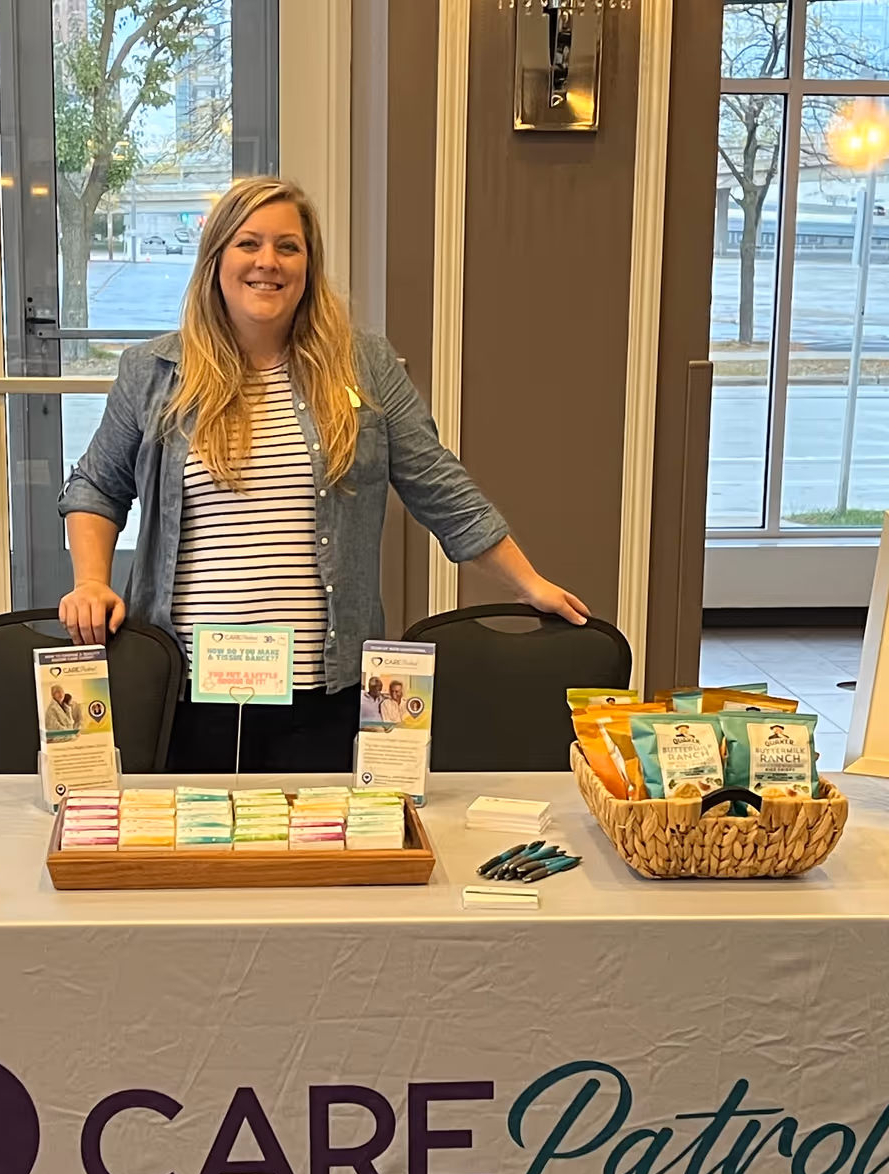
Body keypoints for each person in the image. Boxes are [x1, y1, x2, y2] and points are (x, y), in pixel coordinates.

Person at [57, 177, 586, 773]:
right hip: (188, 692)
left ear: (309, 265)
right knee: (201, 856)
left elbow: (441, 487)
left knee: (320, 857)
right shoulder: (151, 372)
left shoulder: (364, 364)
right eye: (248, 244)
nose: (268, 263)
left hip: (324, 691)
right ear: (215, 260)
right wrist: (91, 582)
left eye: (288, 247)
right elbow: (97, 486)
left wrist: (527, 582)